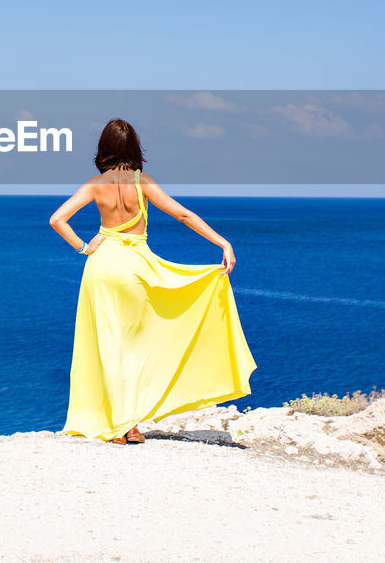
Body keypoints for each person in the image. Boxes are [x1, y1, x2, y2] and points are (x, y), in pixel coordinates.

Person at [49, 118, 257, 444]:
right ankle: (130, 425)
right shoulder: (141, 182)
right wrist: (222, 242)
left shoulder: (94, 185)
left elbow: (57, 219)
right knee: (136, 347)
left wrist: (83, 247)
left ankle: (115, 426)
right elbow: (183, 214)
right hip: (134, 269)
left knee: (107, 346)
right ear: (134, 148)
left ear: (103, 148)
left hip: (101, 267)